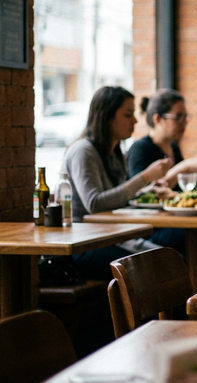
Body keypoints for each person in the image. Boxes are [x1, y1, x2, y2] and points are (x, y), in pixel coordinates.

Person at [61, 86, 179, 279]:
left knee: (175, 261)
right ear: (107, 117)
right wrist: (145, 177)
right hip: (84, 245)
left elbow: (118, 200)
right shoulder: (84, 151)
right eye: (127, 114)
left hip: (112, 237)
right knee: (161, 269)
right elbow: (95, 204)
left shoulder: (114, 154)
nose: (135, 120)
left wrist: (147, 190)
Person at [126, 89, 197, 189]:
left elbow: (181, 187)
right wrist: (185, 166)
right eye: (178, 117)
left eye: (185, 117)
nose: (184, 122)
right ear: (158, 119)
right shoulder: (139, 149)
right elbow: (142, 193)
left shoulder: (173, 147)